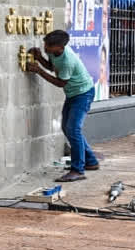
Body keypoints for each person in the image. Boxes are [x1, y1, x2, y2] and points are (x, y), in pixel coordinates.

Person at [27, 30, 101, 182]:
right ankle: (91, 161)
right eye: (45, 44)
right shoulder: (54, 53)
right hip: (73, 94)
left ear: (60, 47)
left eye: (49, 46)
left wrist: (38, 70)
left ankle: (78, 170)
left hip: (83, 94)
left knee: (73, 130)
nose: (45, 47)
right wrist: (40, 57)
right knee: (67, 128)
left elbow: (60, 82)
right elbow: (53, 67)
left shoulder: (68, 60)